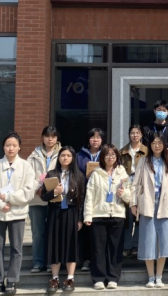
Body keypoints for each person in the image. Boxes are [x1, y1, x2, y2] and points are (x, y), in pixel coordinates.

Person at [0, 132, 35, 296]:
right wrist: (0, 204)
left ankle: (12, 280)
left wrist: (10, 198)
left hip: (17, 213)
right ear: (3, 147)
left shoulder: (26, 166)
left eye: (14, 145)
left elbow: (29, 191)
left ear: (19, 147)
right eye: (7, 145)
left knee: (16, 248)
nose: (11, 148)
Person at [83, 144, 131, 290]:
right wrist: (88, 215)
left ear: (117, 156)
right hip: (99, 215)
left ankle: (113, 278)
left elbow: (130, 195)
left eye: (113, 154)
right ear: (102, 157)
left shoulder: (122, 173)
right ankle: (98, 278)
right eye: (107, 154)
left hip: (117, 214)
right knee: (98, 249)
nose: (110, 157)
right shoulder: (96, 174)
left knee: (115, 248)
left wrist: (123, 193)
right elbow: (89, 196)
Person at [130, 135, 168, 288]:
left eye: (160, 143)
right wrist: (133, 203)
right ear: (150, 145)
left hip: (165, 204)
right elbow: (135, 184)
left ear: (164, 145)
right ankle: (151, 277)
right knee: (148, 240)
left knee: (164, 240)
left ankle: (159, 276)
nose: (157, 146)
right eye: (154, 143)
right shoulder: (143, 161)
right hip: (147, 203)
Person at [41, 146, 85, 294]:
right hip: (55, 212)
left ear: (73, 158)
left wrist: (79, 219)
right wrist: (55, 192)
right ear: (58, 158)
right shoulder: (52, 174)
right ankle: (54, 278)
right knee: (55, 244)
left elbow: (81, 200)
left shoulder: (78, 176)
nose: (65, 158)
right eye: (62, 155)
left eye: (68, 156)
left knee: (71, 244)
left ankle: (70, 278)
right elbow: (44, 196)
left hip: (72, 213)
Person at [27, 126, 62, 274]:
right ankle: (38, 262)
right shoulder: (33, 155)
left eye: (53, 136)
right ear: (42, 137)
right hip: (37, 198)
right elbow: (27, 176)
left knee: (53, 232)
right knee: (37, 232)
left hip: (55, 198)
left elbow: (65, 173)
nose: (50, 139)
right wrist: (37, 187)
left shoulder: (62, 154)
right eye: (47, 136)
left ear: (57, 138)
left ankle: (50, 262)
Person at [76, 128, 106, 272]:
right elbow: (75, 174)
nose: (95, 140)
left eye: (98, 137)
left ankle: (99, 259)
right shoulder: (79, 155)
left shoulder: (106, 154)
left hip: (101, 196)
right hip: (84, 195)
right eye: (93, 137)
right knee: (86, 229)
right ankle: (86, 259)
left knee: (99, 229)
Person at [120, 125, 148, 257]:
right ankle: (126, 246)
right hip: (127, 183)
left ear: (141, 135)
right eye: (132, 133)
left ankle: (136, 245)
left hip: (141, 184)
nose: (135, 135)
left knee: (139, 216)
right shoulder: (122, 151)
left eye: (137, 133)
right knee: (127, 216)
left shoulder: (147, 151)